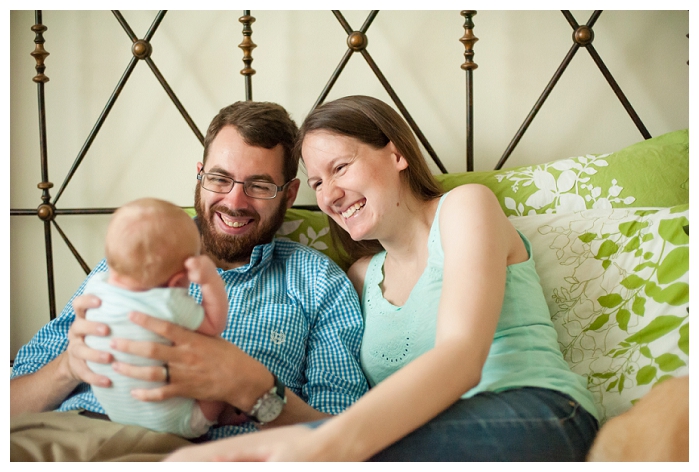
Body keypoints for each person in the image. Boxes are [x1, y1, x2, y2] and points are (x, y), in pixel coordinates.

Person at [166, 95, 600, 462]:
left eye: (340, 168)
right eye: (317, 182)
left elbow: (463, 357)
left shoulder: (466, 208)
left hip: (537, 412)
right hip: (427, 436)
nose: (330, 195)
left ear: (396, 154)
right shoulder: (359, 278)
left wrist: (318, 446)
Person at [10, 101, 368, 461]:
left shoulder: (319, 282)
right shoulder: (135, 258)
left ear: (288, 194)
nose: (234, 201)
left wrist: (253, 390)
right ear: (201, 175)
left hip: (193, 453)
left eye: (259, 186)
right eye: (219, 178)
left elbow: (340, 438)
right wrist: (68, 367)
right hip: (61, 436)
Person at [83, 197, 232, 438]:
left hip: (114, 414)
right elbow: (215, 325)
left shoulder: (95, 287)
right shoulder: (168, 302)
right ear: (176, 281)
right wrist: (209, 280)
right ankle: (221, 415)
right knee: (221, 389)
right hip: (175, 422)